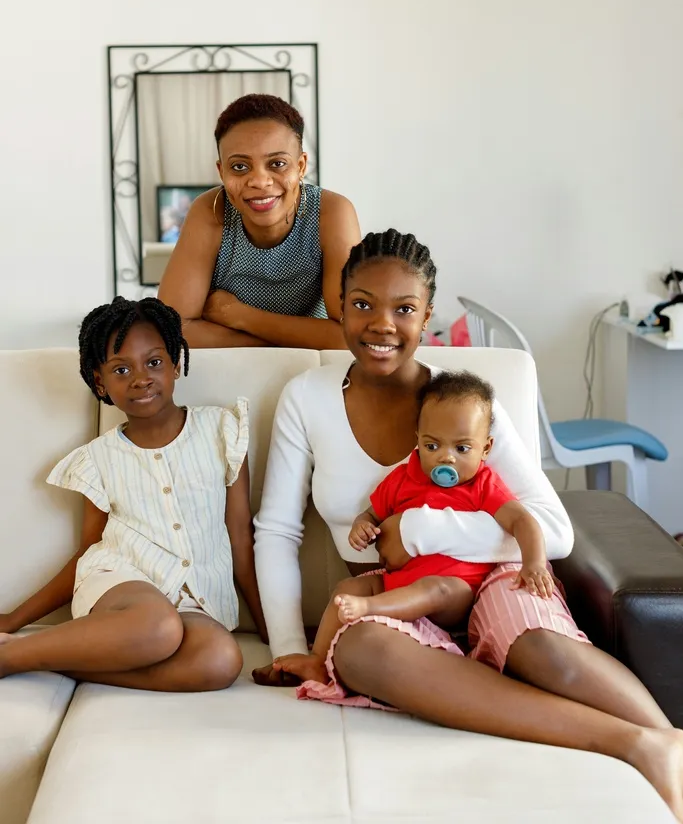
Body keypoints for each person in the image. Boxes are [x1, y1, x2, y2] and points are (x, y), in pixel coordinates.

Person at [253, 229, 683, 818]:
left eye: (403, 309)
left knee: (541, 652)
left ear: (427, 316)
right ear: (339, 306)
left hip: (489, 576)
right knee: (361, 651)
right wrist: (289, 647)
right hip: (401, 599)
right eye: (362, 305)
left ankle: (668, 741)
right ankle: (628, 742)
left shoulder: (467, 405)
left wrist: (419, 531)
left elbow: (552, 529)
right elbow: (277, 531)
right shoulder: (308, 397)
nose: (382, 324)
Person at [0, 297, 267, 692]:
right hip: (119, 584)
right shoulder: (97, 458)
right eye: (121, 369)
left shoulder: (221, 431)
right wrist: (11, 620)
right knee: (157, 624)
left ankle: (48, 661)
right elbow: (87, 551)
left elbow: (240, 539)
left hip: (194, 603)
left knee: (220, 659)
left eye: (154, 362)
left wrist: (276, 633)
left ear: (176, 364)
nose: (141, 378)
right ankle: (8, 656)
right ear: (100, 382)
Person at [275, 370, 558, 688]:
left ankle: (369, 609)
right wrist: (362, 527)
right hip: (398, 582)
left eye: (462, 448)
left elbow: (523, 521)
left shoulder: (483, 483)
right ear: (418, 439)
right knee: (345, 589)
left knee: (436, 588)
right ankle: (318, 661)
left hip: (456, 593)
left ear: (486, 448)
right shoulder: (404, 476)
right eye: (432, 445)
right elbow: (372, 514)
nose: (445, 458)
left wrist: (534, 562)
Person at [158, 93, 361, 349]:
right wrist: (279, 343)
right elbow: (171, 329)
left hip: (313, 369)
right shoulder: (209, 210)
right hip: (237, 368)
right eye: (240, 167)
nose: (259, 181)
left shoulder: (331, 213)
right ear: (222, 172)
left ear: (300, 166)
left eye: (277, 163)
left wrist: (239, 315)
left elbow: (351, 334)